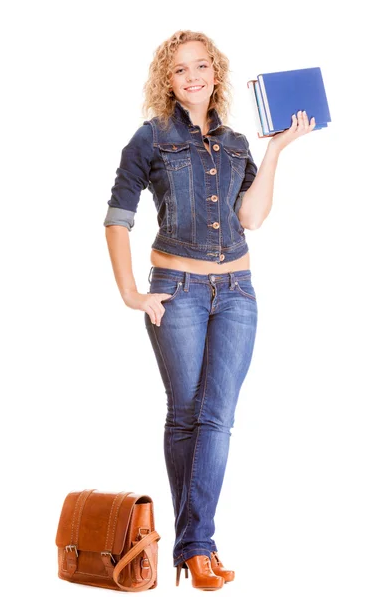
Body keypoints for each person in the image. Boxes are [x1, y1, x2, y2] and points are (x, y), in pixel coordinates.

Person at [104, 30, 315, 591]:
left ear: (216, 73)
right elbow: (117, 218)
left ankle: (192, 547)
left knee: (215, 418)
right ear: (167, 82)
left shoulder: (240, 144)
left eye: (201, 66)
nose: (192, 76)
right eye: (179, 70)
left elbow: (252, 219)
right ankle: (199, 549)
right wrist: (131, 291)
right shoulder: (149, 139)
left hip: (238, 293)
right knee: (186, 412)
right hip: (177, 290)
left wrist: (275, 151)